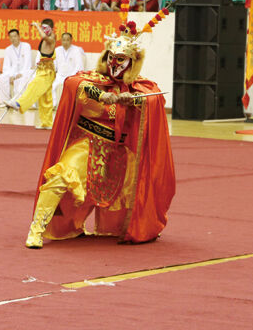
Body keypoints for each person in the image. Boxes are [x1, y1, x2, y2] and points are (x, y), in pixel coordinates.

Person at [24, 24, 176, 249]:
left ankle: (135, 227)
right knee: (61, 177)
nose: (115, 64)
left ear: (132, 62)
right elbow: (73, 83)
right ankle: (36, 229)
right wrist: (102, 95)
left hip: (119, 151)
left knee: (137, 186)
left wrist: (134, 100)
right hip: (87, 144)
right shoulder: (92, 78)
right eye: (112, 58)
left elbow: (154, 99)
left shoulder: (138, 87)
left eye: (121, 59)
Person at [6, 19, 57, 130]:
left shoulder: (52, 37)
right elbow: (46, 54)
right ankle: (47, 123)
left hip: (47, 72)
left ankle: (19, 103)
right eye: (42, 28)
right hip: (42, 69)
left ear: (51, 29)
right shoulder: (46, 38)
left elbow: (45, 38)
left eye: (45, 28)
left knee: (33, 86)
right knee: (45, 98)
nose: (43, 31)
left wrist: (37, 27)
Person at [0, 28, 33, 107]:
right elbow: (6, 66)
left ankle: (18, 103)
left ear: (19, 36)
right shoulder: (8, 49)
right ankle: (4, 101)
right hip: (12, 72)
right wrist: (11, 76)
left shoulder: (26, 46)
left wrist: (21, 73)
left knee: (21, 79)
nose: (13, 39)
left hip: (25, 71)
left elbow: (28, 63)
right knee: (0, 79)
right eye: (11, 37)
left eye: (15, 36)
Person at [52, 32, 84, 105]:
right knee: (52, 86)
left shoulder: (76, 50)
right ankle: (54, 105)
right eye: (63, 40)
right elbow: (54, 65)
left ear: (71, 40)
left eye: (67, 40)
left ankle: (68, 106)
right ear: (61, 40)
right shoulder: (57, 50)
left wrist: (71, 76)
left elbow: (78, 66)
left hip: (71, 76)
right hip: (59, 75)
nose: (65, 42)